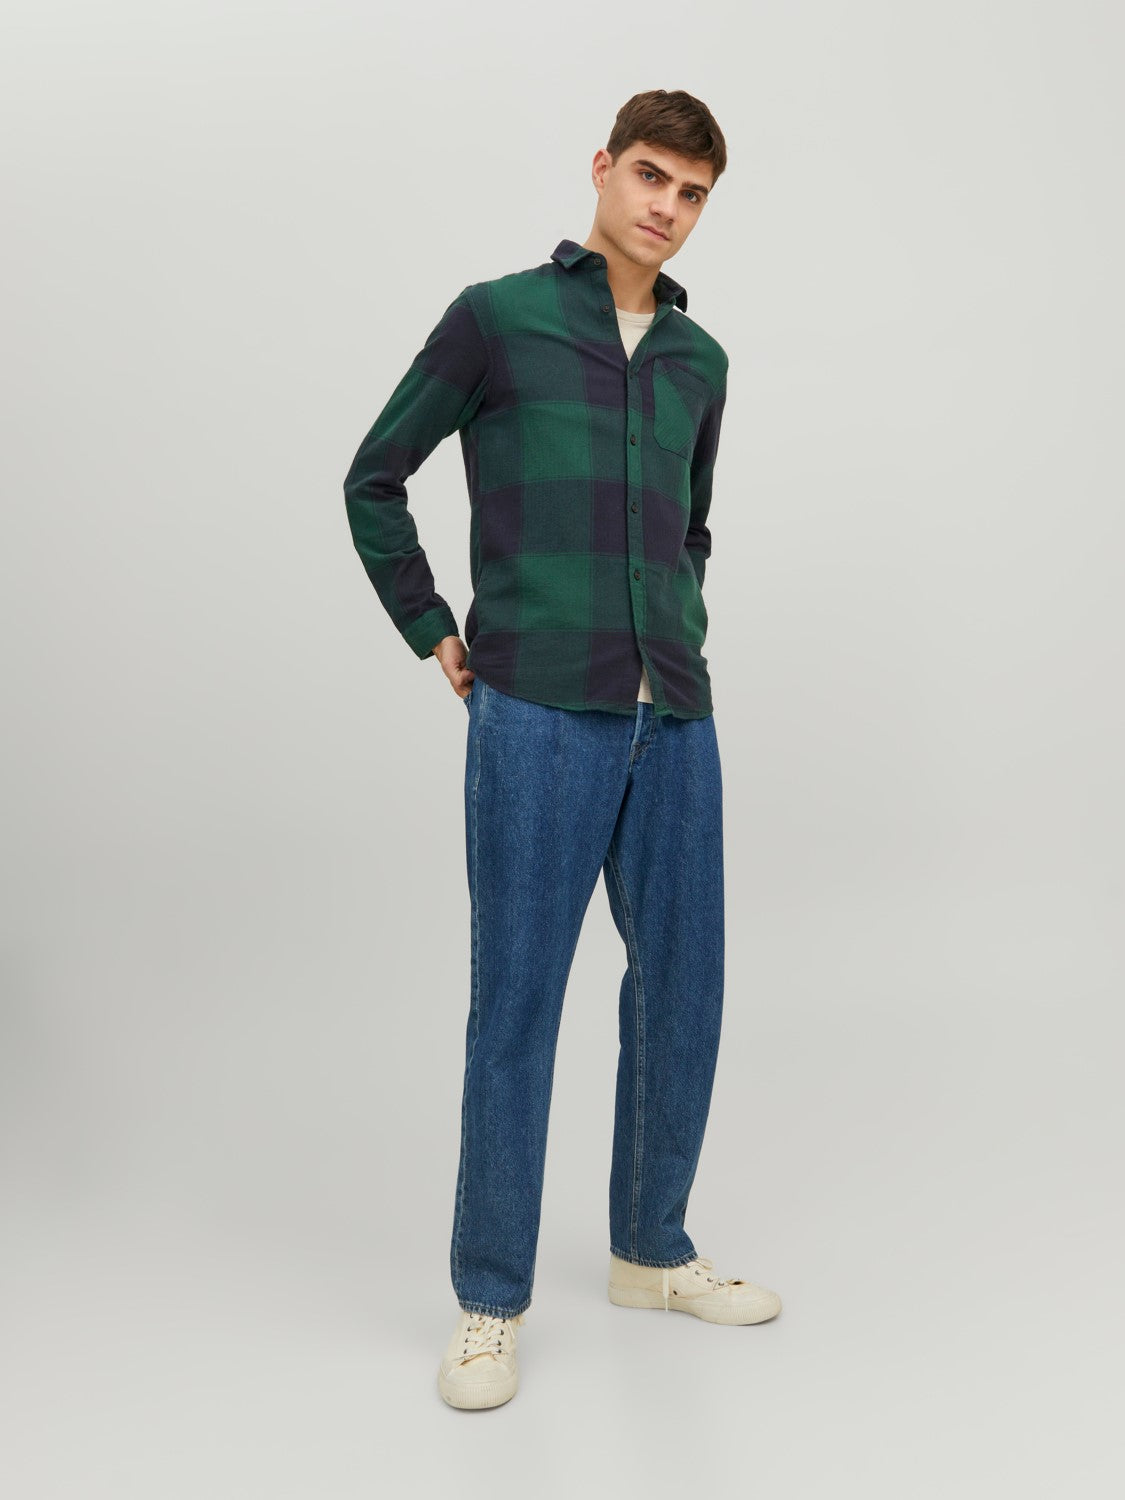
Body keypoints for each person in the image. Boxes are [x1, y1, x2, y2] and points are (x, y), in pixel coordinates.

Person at [343, 88, 782, 1411]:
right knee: (519, 1001)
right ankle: (489, 1301)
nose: (667, 207)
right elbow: (374, 474)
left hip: (674, 713)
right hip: (535, 708)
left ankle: (650, 1249)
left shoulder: (701, 361)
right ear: (602, 169)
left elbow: (689, 528)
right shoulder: (498, 319)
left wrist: (676, 634)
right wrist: (433, 626)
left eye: (692, 193)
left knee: (684, 986)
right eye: (650, 175)